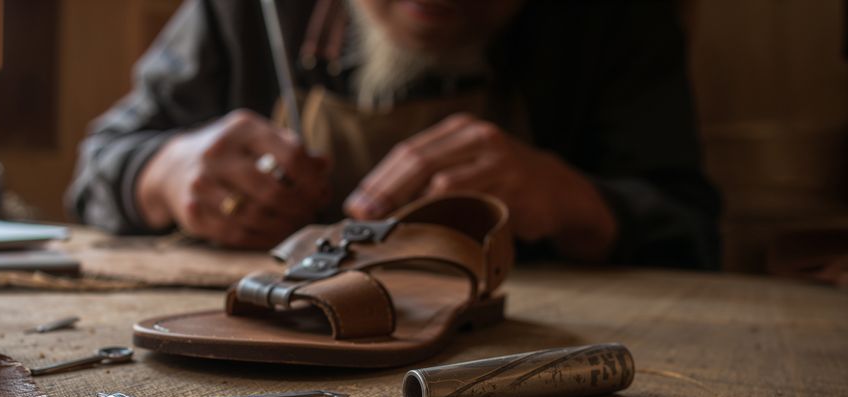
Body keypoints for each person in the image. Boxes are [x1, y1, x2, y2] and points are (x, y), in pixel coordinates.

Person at [67, 0, 722, 269]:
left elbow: (693, 228)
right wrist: (165, 173)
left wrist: (576, 203)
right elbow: (99, 166)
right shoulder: (245, 11)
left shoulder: (615, 20)